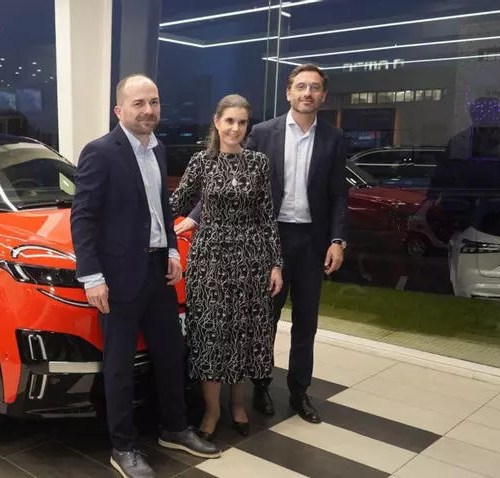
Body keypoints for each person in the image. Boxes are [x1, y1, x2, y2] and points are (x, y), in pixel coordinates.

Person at [177, 64, 349, 424]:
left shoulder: (333, 138)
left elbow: (338, 193)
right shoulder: (263, 132)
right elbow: (227, 176)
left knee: (306, 321)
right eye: (300, 86)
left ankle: (300, 391)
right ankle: (261, 387)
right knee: (261, 320)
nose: (307, 93)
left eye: (314, 87)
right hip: (268, 239)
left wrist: (337, 239)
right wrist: (194, 216)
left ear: (322, 95)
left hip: (310, 240)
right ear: (288, 92)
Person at [70, 74, 220, 478]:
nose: (148, 110)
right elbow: (83, 217)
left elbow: (160, 209)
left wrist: (170, 250)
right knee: (119, 367)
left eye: (153, 102)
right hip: (118, 277)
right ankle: (123, 448)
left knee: (171, 355)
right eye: (139, 103)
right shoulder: (100, 152)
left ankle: (174, 428)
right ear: (119, 110)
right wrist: (92, 276)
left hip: (157, 273)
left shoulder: (158, 149)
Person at [169, 94, 283, 440]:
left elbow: (266, 216)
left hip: (251, 259)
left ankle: (237, 404)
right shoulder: (201, 162)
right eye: (229, 121)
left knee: (243, 333)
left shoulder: (258, 163)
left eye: (242, 122)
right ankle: (212, 410)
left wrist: (275, 264)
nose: (235, 128)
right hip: (210, 260)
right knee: (211, 334)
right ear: (217, 122)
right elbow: (175, 203)